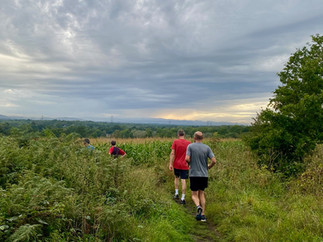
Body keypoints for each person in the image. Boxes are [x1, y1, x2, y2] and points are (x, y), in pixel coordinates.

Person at [185, 131, 216, 222]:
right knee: (201, 193)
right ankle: (202, 215)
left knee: (194, 194)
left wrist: (189, 164)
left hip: (194, 174)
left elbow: (187, 158)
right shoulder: (207, 148)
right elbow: (214, 161)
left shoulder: (190, 146)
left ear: (194, 138)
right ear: (202, 138)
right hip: (204, 174)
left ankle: (198, 206)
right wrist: (208, 167)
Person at [169, 129, 191, 204]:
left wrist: (170, 164)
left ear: (178, 135)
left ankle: (176, 193)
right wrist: (190, 164)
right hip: (185, 164)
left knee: (176, 178)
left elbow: (172, 153)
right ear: (184, 135)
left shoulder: (175, 142)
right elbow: (190, 155)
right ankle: (183, 198)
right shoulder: (189, 143)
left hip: (176, 164)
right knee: (183, 180)